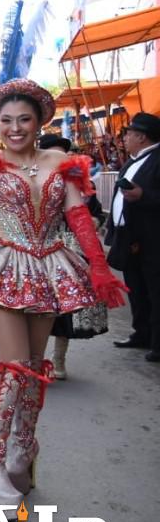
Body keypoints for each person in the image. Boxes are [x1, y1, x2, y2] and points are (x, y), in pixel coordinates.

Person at [0, 76, 126, 512]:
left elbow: (77, 215)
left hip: (48, 265)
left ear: (40, 121)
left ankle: (23, 447)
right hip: (1, 265)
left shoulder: (60, 161)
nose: (15, 128)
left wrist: (99, 266)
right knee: (16, 365)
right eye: (6, 120)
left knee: (36, 366)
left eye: (24, 119)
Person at [34, 135, 109, 378]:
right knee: (37, 308)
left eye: (62, 154)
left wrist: (93, 222)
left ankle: (59, 361)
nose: (58, 159)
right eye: (52, 154)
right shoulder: (32, 180)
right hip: (39, 253)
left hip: (73, 252)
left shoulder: (78, 180)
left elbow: (95, 213)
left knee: (66, 311)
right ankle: (34, 361)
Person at [107, 112, 160, 362]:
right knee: (136, 289)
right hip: (129, 237)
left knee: (154, 290)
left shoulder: (157, 160)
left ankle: (157, 343)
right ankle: (142, 333)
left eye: (128, 134)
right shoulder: (132, 161)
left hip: (152, 239)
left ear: (141, 136)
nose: (124, 138)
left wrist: (143, 195)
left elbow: (147, 195)